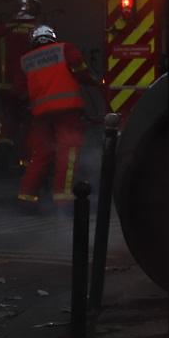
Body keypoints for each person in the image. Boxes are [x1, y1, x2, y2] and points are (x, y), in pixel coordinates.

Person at [16, 25, 99, 208]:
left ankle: (26, 196)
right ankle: (63, 199)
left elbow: (20, 89)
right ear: (51, 37)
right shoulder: (64, 49)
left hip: (41, 115)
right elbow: (80, 70)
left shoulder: (25, 60)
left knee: (41, 154)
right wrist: (93, 81)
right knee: (68, 152)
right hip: (67, 111)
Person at [0, 0, 42, 171]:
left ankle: (3, 146)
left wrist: (1, 75)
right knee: (30, 121)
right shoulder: (38, 31)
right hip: (30, 87)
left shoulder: (1, 31)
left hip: (6, 86)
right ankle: (26, 159)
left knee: (9, 117)